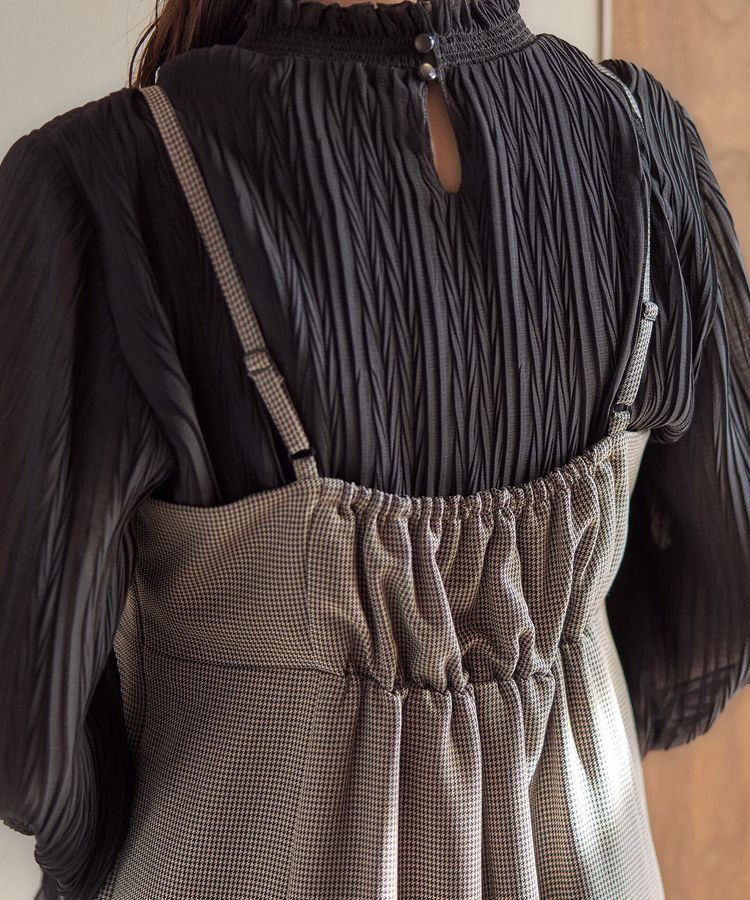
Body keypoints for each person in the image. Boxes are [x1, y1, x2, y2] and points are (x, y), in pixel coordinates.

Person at [0, 0, 748, 897]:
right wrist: (551, 684)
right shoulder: (643, 145)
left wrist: (106, 845)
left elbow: (30, 738)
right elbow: (714, 610)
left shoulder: (110, 179)